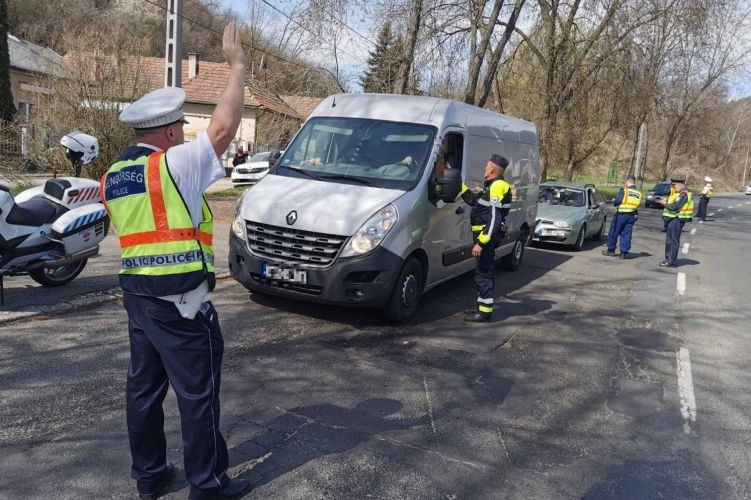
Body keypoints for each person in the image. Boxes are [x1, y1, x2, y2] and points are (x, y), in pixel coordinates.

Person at [99, 24, 252, 500]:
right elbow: (223, 128)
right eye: (181, 129)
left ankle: (149, 477)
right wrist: (237, 66)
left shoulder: (114, 175)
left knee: (143, 393)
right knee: (197, 394)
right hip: (182, 302)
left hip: (139, 298)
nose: (185, 136)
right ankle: (206, 486)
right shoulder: (171, 164)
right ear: (168, 131)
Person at [460, 154, 512, 323]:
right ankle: (481, 308)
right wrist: (457, 185)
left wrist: (481, 243)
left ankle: (484, 313)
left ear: (491, 169)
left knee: (483, 274)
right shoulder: (491, 186)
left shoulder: (497, 187)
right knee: (482, 272)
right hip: (485, 236)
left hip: (487, 238)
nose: (484, 168)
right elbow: (475, 202)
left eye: (486, 166)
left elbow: (495, 219)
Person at [602, 174, 642, 259]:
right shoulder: (638, 193)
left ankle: (611, 250)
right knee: (626, 234)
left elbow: (618, 201)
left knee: (614, 232)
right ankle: (623, 253)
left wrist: (615, 201)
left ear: (627, 181)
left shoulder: (625, 191)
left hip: (621, 215)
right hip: (631, 216)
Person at [658, 178, 693, 268]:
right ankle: (670, 260)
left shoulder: (683, 194)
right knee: (671, 241)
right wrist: (666, 200)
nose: (673, 187)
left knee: (672, 241)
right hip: (676, 219)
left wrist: (664, 204)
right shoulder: (681, 193)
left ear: (680, 185)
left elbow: (675, 206)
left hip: (676, 219)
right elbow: (673, 202)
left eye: (675, 185)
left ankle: (670, 261)